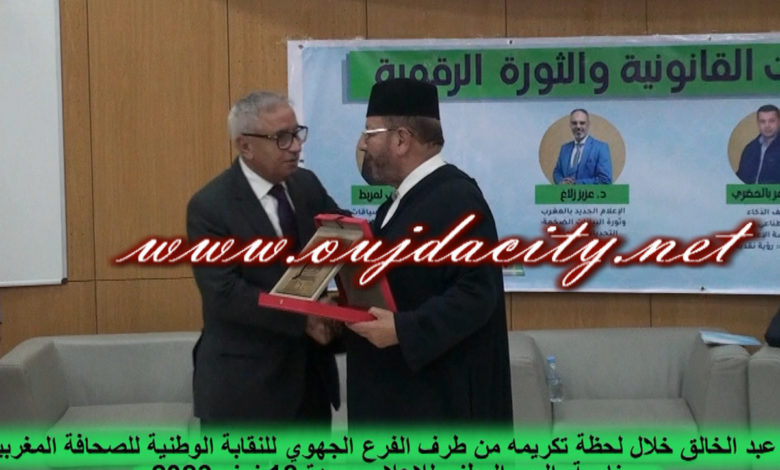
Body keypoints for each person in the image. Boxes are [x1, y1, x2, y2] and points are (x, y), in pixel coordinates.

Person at [345, 78, 512, 424]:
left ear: (401, 139)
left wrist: (403, 330)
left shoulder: (457, 198)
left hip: (438, 409)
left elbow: (477, 293)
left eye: (370, 133)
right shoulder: (396, 203)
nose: (362, 144)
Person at [187, 91, 343, 425]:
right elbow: (224, 294)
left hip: (309, 384)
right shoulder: (211, 207)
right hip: (245, 389)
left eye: (297, 133)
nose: (296, 146)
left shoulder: (307, 186)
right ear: (245, 146)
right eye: (282, 138)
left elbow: (343, 235)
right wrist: (303, 319)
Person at [552, 108, 613, 184]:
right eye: (574, 123)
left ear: (588, 124)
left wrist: (576, 184)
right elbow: (557, 172)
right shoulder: (564, 148)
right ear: (570, 125)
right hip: (564, 192)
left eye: (582, 123)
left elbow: (605, 180)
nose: (578, 126)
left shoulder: (601, 148)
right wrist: (561, 181)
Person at [736, 104, 780, 184]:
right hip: (748, 192)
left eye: (771, 121)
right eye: (762, 121)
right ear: (758, 124)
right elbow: (740, 177)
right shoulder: (750, 149)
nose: (767, 126)